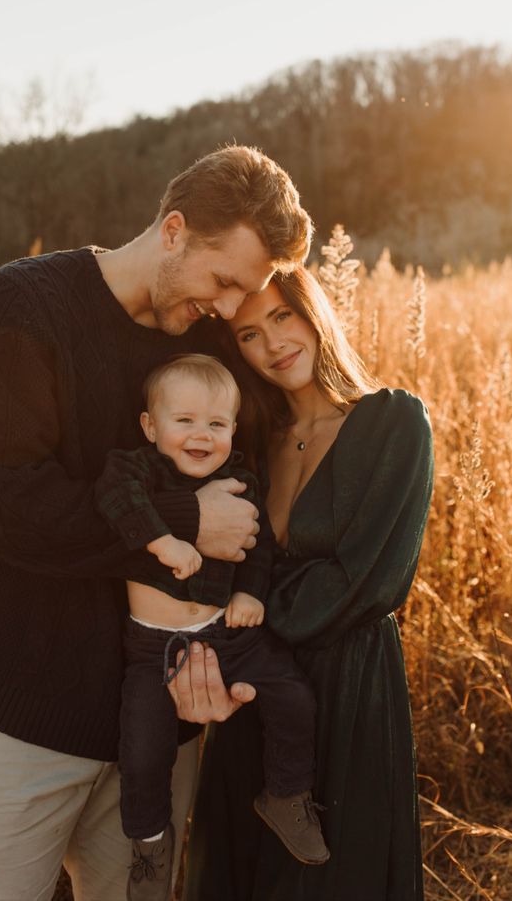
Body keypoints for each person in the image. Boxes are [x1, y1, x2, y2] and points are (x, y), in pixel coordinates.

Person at [0, 145, 313, 901]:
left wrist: (218, 656)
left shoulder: (208, 345)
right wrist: (182, 519)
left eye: (249, 291)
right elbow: (2, 504)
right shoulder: (20, 304)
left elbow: (245, 501)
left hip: (159, 723)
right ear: (173, 229)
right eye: (225, 280)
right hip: (19, 720)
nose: (233, 308)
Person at [180, 265, 434, 901]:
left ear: (312, 311)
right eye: (247, 336)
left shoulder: (393, 423)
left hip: (349, 683)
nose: (272, 345)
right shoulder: (249, 440)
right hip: (253, 687)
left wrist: (248, 615)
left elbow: (369, 580)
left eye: (281, 317)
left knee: (335, 875)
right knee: (244, 867)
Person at [95, 354, 328, 901]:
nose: (202, 435)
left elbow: (258, 547)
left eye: (217, 424)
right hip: (155, 651)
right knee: (145, 751)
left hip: (230, 637)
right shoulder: (138, 470)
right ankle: (150, 845)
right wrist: (167, 537)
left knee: (293, 696)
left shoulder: (238, 479)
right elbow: (113, 497)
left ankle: (287, 794)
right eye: (185, 421)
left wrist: (248, 591)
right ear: (151, 427)